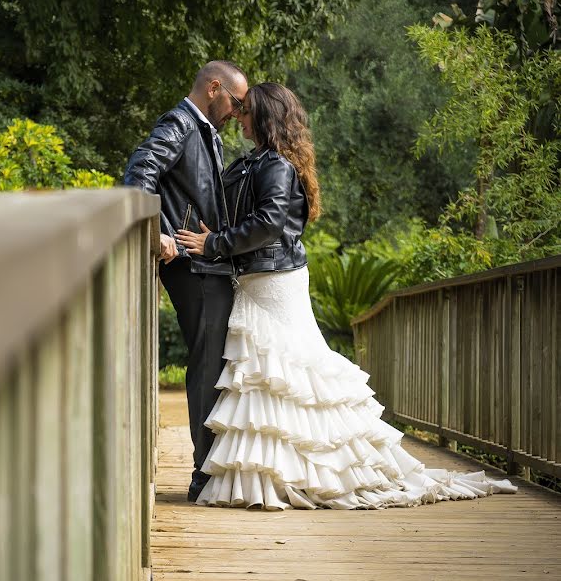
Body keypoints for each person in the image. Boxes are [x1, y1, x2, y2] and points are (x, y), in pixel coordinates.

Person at [175, 82, 517, 509]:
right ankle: (275, 473)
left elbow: (266, 223)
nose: (239, 117)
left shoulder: (276, 166)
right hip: (256, 282)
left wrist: (214, 244)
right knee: (270, 378)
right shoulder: (257, 162)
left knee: (294, 377)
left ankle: (320, 468)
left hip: (274, 283)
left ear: (264, 116)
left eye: (246, 111)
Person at [124, 61, 249, 502]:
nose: (237, 112)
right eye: (235, 101)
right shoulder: (180, 123)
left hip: (206, 265)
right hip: (191, 267)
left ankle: (210, 468)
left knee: (211, 363)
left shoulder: (204, 131)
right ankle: (203, 473)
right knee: (206, 365)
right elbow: (139, 174)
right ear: (214, 88)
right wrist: (155, 229)